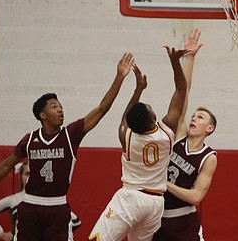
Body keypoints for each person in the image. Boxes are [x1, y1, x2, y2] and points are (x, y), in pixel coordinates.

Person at [0, 52, 134, 241]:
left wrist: (119, 76)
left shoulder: (70, 134)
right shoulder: (30, 139)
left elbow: (102, 108)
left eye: (61, 106)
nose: (60, 109)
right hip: (30, 207)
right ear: (42, 115)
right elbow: (6, 164)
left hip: (57, 207)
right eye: (54, 107)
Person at [88, 45, 189, 241]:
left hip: (131, 198)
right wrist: (175, 62)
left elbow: (124, 118)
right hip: (155, 203)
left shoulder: (127, 136)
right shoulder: (167, 133)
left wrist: (138, 90)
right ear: (153, 119)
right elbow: (181, 89)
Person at [153, 29, 218, 241]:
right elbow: (184, 92)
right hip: (157, 217)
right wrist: (190, 58)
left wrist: (164, 184)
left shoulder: (209, 158)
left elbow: (196, 196)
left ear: (210, 128)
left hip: (183, 222)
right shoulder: (179, 134)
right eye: (193, 116)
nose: (193, 119)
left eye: (200, 118)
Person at [0, 162, 81, 241]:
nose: (29, 177)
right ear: (20, 176)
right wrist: (0, 232)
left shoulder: (45, 199)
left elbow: (76, 221)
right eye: (27, 174)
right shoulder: (12, 200)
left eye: (33, 174)